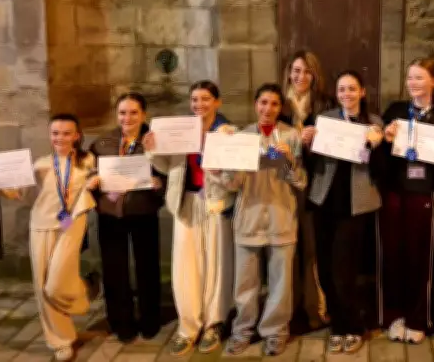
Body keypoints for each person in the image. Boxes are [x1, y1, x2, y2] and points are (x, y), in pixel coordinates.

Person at [0, 114, 99, 361]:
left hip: (72, 223)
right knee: (43, 287)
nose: (60, 138)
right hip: (41, 225)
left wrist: (97, 180)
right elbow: (16, 193)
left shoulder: (88, 161)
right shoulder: (39, 165)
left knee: (57, 283)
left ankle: (85, 291)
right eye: (55, 133)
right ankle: (61, 341)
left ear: (76, 135)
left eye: (66, 133)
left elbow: (103, 180)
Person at [143, 81, 237, 356]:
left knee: (217, 264)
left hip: (216, 201)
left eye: (205, 99)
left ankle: (214, 323)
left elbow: (236, 174)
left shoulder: (227, 132)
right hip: (186, 202)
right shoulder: (181, 130)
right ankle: (188, 326)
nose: (199, 104)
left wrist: (219, 168)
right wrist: (152, 150)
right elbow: (167, 167)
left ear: (217, 102)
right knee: (186, 265)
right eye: (195, 99)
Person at [219, 83, 307, 357]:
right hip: (249, 217)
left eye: (274, 104)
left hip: (281, 217)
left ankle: (276, 331)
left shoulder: (291, 135)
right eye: (263, 102)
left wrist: (289, 160)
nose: (268, 109)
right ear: (255, 104)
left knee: (281, 282)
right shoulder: (242, 137)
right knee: (245, 282)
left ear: (281, 108)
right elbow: (231, 184)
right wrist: (234, 166)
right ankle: (242, 330)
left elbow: (301, 182)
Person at [306, 71, 385, 354]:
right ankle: (338, 325)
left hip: (356, 205)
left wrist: (376, 145)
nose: (346, 94)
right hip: (324, 201)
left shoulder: (374, 123)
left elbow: (380, 169)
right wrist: (309, 143)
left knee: (345, 270)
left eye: (352, 89)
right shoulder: (325, 120)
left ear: (362, 92)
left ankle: (353, 326)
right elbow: (312, 162)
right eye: (342, 89)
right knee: (326, 269)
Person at [378, 58, 434, 344]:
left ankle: (418, 318)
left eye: (419, 77)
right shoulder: (395, 112)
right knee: (392, 255)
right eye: (410, 77)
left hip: (421, 192)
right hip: (392, 191)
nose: (413, 83)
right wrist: (385, 140)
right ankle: (393, 316)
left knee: (419, 256)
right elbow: (380, 157)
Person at [88, 92, 166, 343]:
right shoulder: (103, 142)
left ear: (144, 114)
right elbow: (88, 172)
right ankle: (121, 322)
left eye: (134, 112)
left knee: (147, 267)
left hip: (143, 211)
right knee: (114, 270)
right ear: (116, 114)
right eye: (122, 112)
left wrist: (159, 184)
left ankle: (150, 320)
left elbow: (170, 172)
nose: (127, 118)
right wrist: (93, 183)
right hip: (111, 214)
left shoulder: (154, 140)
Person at [280, 50, 334, 332]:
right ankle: (288, 309)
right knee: (287, 249)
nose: (301, 77)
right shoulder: (278, 104)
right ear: (289, 73)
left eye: (307, 71)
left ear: (315, 75)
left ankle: (316, 308)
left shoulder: (325, 105)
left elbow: (335, 148)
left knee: (312, 248)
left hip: (315, 185)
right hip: (283, 185)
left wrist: (314, 143)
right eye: (296, 70)